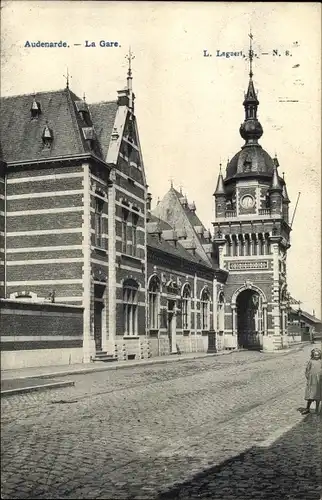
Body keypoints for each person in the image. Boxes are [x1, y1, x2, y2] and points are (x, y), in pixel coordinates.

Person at [302, 348, 322, 414]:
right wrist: (308, 377)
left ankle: (317, 409)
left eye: (318, 355)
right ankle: (307, 408)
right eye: (315, 355)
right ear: (313, 355)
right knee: (311, 394)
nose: (316, 356)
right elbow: (307, 370)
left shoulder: (321, 361)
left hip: (319, 381)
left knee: (318, 395)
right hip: (312, 381)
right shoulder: (311, 361)